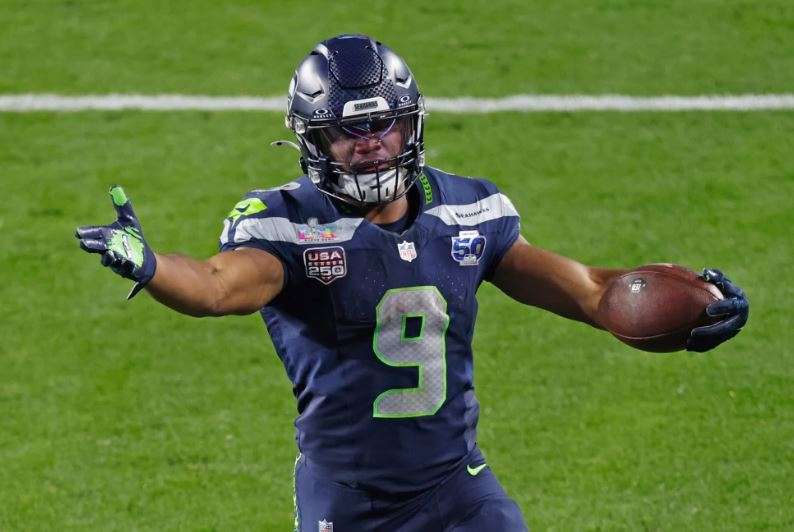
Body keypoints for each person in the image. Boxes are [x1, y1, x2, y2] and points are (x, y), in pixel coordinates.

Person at [75, 34, 749, 531]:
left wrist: (696, 304)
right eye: (347, 131)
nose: (369, 143)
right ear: (314, 141)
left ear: (410, 125)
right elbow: (216, 285)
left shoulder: (469, 211)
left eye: (383, 125)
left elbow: (593, 292)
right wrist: (153, 265)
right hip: (349, 499)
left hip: (456, 488)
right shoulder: (288, 226)